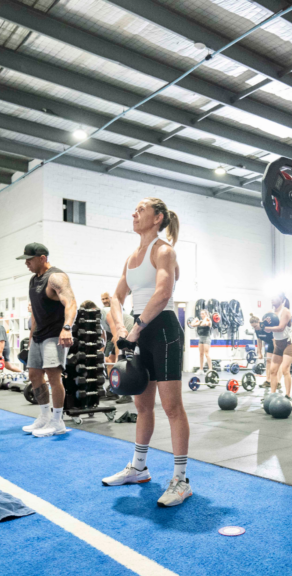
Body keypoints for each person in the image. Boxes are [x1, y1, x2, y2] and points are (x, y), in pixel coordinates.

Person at [102, 197, 191, 508]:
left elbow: (163, 291)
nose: (134, 213)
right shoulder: (132, 258)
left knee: (172, 408)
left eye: (140, 209)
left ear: (158, 218)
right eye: (134, 209)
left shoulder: (163, 251)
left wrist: (136, 329)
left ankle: (181, 479)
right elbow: (115, 296)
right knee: (142, 406)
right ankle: (139, 469)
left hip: (163, 331)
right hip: (137, 332)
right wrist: (119, 330)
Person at [18, 243, 77, 438]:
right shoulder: (33, 280)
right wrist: (30, 337)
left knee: (53, 376)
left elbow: (70, 302)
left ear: (42, 258)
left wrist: (67, 327)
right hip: (38, 335)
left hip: (54, 334)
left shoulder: (56, 277)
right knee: (34, 374)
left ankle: (57, 420)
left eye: (30, 259)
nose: (26, 262)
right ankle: (44, 416)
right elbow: (35, 311)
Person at [264, 293, 292, 400]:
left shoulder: (285, 311)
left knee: (285, 369)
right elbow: (264, 326)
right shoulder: (270, 313)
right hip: (277, 344)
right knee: (273, 370)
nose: (272, 300)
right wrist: (261, 325)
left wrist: (268, 328)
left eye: (275, 298)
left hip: (288, 344)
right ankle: (272, 394)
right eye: (271, 298)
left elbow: (281, 328)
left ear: (281, 299)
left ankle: (288, 395)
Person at [188, 309, 214, 374]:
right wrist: (195, 320)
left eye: (203, 314)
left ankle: (210, 369)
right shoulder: (200, 321)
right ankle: (201, 369)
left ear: (206, 314)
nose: (201, 315)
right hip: (201, 338)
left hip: (206, 338)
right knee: (201, 354)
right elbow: (192, 325)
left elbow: (204, 324)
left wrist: (200, 321)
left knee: (206, 354)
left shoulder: (208, 320)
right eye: (201, 314)